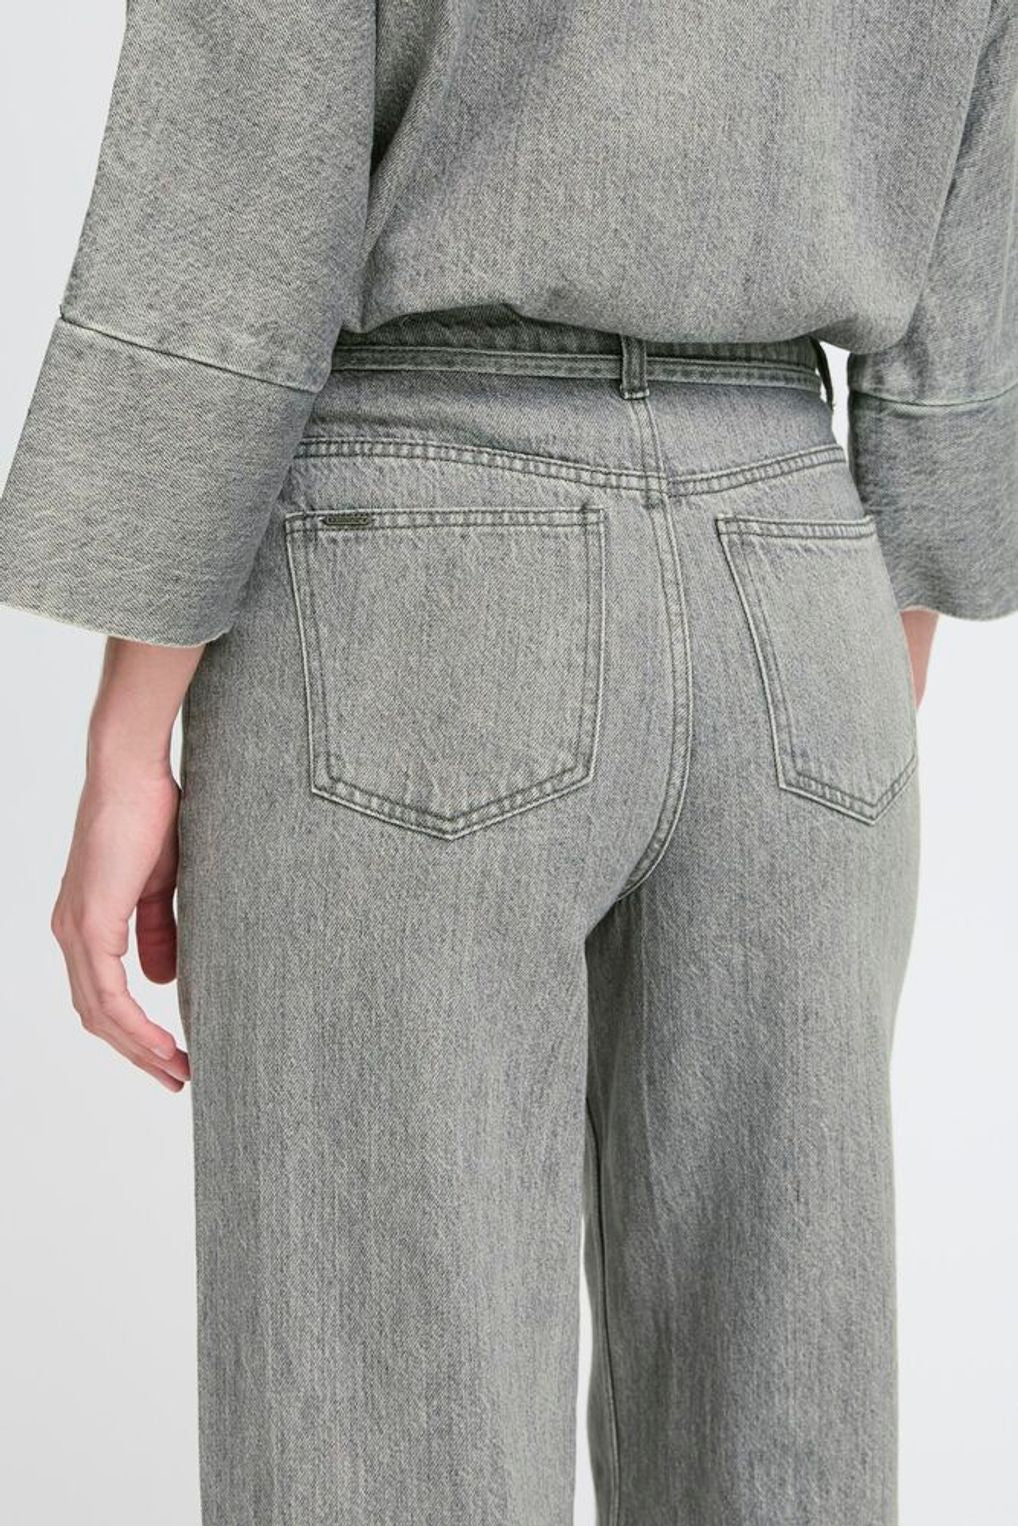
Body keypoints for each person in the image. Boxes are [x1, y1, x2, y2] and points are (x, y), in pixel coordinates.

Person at [0, 3, 1014, 1523]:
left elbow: (230, 199)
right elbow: (970, 257)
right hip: (804, 578)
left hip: (412, 558)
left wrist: (126, 740)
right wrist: (858, 671)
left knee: (383, 1433)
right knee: (780, 1422)